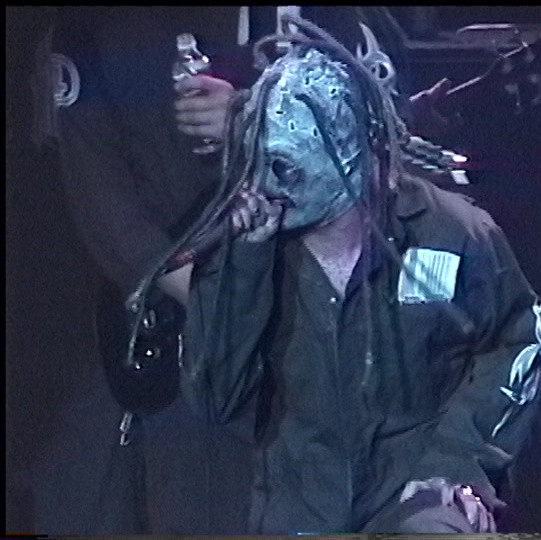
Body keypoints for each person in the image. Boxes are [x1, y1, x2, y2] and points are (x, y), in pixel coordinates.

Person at [34, 6, 454, 535]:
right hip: (179, 351)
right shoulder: (91, 28)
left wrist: (251, 118)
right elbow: (104, 205)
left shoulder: (332, 18)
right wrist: (213, 297)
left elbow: (381, 158)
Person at [148, 15, 541, 533]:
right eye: (260, 158)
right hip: (302, 510)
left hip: (418, 495)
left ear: (349, 154)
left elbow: (521, 339)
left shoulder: (449, 232)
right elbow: (214, 398)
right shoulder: (252, 249)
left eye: (285, 166)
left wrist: (459, 462)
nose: (266, 182)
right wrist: (245, 268)